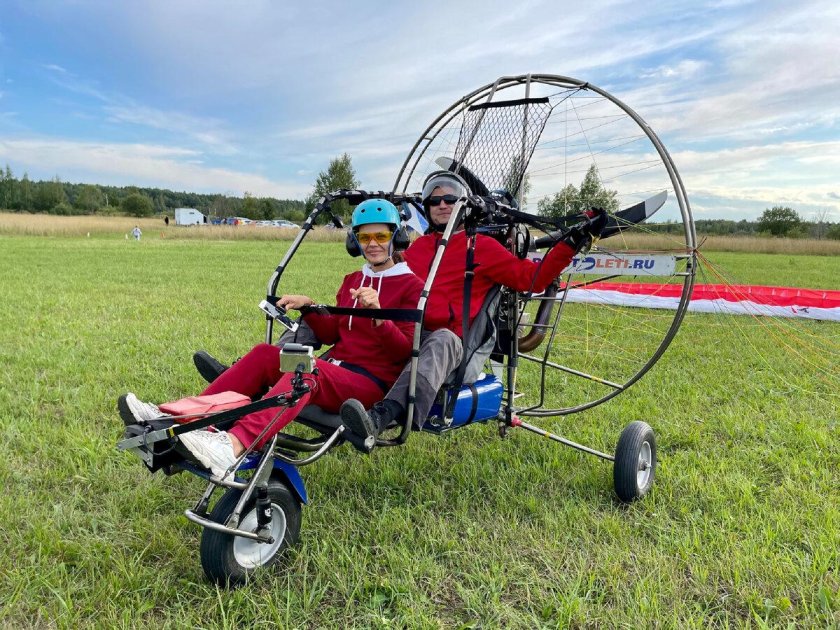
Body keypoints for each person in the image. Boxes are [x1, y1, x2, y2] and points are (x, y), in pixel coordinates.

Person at [119, 199, 423, 478]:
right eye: (364, 237)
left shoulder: (411, 286)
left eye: (381, 236)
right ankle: (179, 419)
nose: (373, 244)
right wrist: (309, 307)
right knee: (265, 353)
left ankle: (233, 445)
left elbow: (403, 353)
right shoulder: (353, 280)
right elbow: (334, 333)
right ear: (354, 240)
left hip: (370, 384)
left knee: (306, 371)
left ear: (395, 237)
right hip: (337, 370)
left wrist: (380, 317)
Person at [339, 170, 607, 450]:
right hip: (409, 334)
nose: (442, 205)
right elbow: (384, 268)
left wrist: (572, 242)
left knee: (441, 339)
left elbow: (532, 279)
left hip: (454, 349)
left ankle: (382, 416)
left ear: (464, 205)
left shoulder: (481, 248)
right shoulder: (419, 248)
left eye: (450, 199)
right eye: (434, 201)